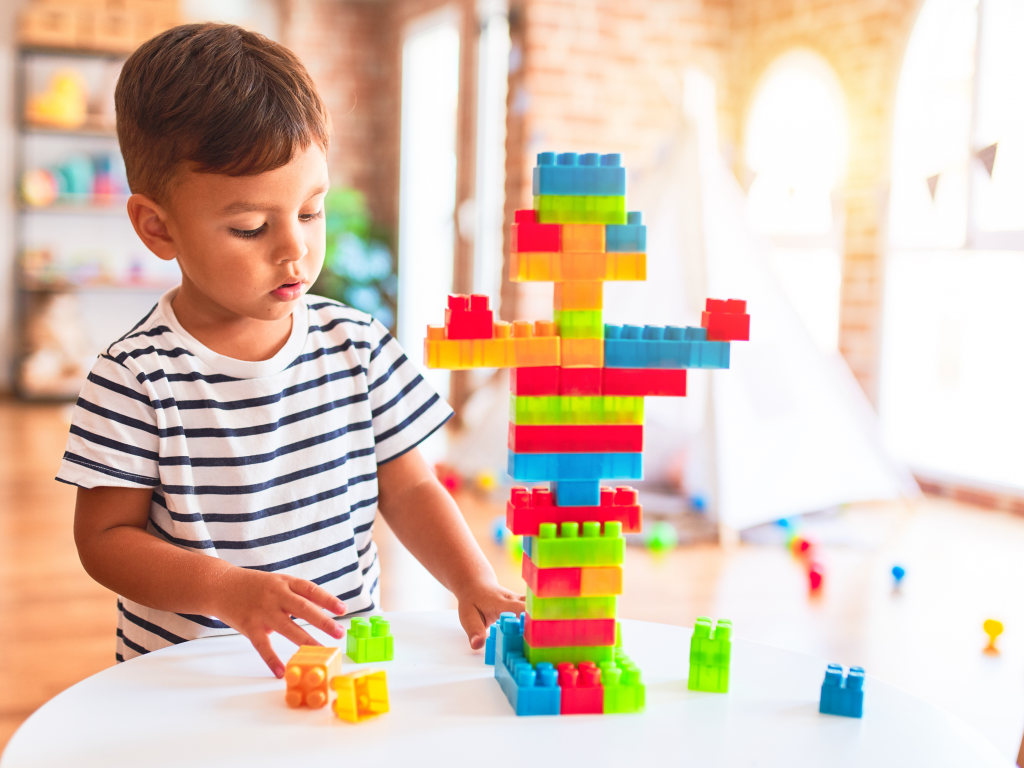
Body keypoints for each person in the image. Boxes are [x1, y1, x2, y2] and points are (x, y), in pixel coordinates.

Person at [58, 22, 523, 677]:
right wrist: (226, 588)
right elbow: (104, 542)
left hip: (336, 662)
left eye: (310, 212)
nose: (294, 249)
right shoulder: (135, 377)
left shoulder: (357, 346)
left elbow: (412, 486)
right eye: (251, 227)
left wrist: (471, 579)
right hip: (188, 678)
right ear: (157, 227)